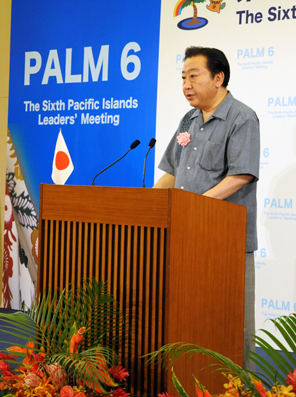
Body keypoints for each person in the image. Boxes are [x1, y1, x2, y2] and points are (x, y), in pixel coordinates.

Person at [154, 46, 259, 370]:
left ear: (218, 77)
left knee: (231, 319)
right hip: (185, 235)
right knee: (188, 315)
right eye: (183, 77)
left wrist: (193, 208)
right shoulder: (188, 120)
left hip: (225, 240)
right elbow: (172, 171)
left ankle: (241, 385)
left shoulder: (241, 117)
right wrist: (148, 203)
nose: (186, 84)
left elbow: (240, 175)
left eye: (193, 76)